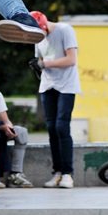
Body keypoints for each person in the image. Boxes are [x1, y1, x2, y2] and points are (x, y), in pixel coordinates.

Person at [29, 11, 79, 189]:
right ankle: (57, 172)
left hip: (66, 85)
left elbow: (71, 59)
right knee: (51, 128)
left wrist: (45, 64)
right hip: (48, 85)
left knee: (61, 126)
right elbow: (41, 60)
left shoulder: (65, 30)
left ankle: (67, 173)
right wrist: (37, 65)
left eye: (42, 32)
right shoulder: (36, 36)